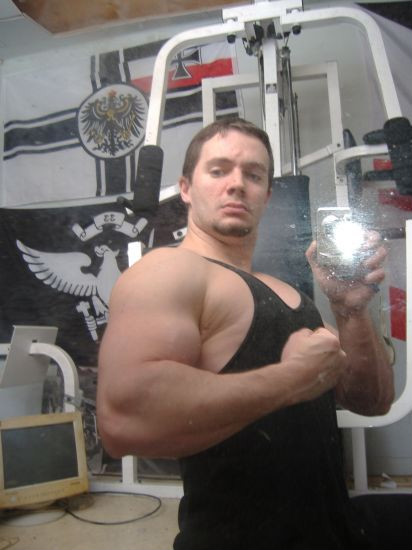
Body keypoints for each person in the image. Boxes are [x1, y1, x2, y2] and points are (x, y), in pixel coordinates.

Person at [97, 118, 411, 549]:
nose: (237, 184)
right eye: (218, 170)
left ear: (267, 195)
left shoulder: (285, 291)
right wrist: (290, 379)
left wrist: (349, 309)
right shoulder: (169, 270)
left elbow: (371, 401)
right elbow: (123, 422)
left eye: (254, 175)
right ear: (186, 188)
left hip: (332, 530)